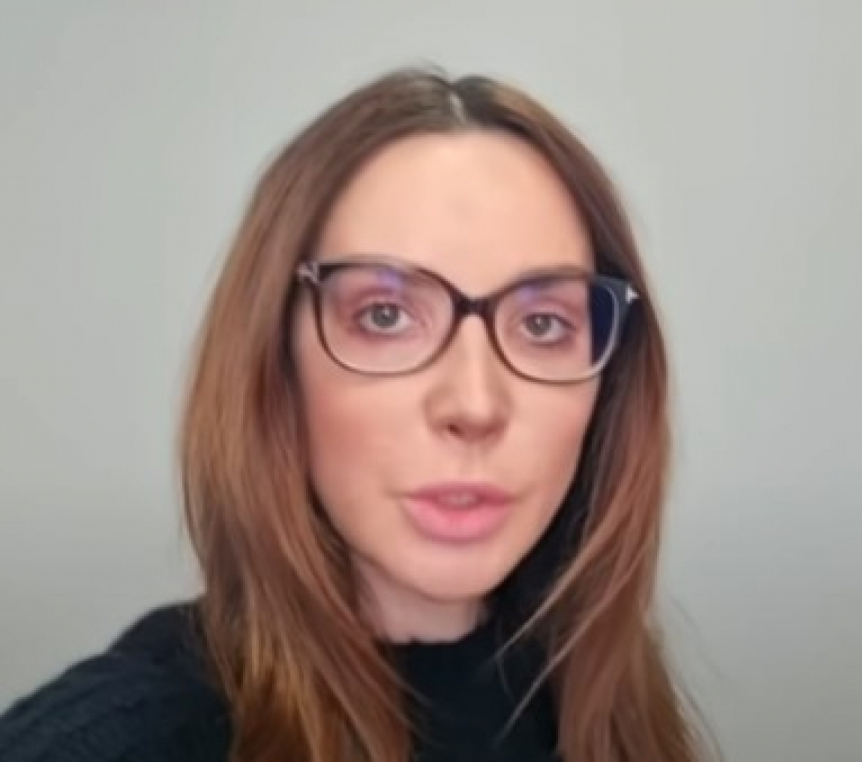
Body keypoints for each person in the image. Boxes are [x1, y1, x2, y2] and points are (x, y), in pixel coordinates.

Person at [0, 67, 712, 762]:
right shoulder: (129, 738)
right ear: (276, 364)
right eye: (385, 315)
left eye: (543, 324)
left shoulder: (610, 701)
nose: (474, 404)